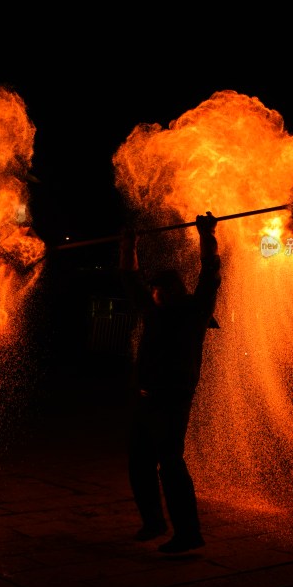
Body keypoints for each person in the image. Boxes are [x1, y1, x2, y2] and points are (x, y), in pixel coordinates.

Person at [119, 211, 221, 554]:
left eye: (164, 288)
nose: (158, 292)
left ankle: (189, 533)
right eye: (156, 288)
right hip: (145, 398)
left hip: (173, 399)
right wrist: (129, 244)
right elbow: (129, 277)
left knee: (171, 464)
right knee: (139, 462)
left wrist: (207, 235)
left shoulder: (194, 312)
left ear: (178, 289)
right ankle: (153, 522)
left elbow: (210, 275)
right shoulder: (152, 311)